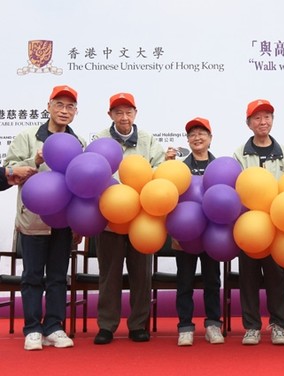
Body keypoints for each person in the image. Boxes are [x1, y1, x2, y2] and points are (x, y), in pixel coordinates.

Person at [4, 85, 85, 350]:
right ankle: (32, 329)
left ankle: (54, 326)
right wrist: (35, 159)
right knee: (32, 276)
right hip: (33, 221)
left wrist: (79, 221)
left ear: (75, 112)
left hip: (63, 222)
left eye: (70, 106)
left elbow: (82, 184)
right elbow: (9, 173)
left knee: (58, 277)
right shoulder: (28, 136)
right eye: (59, 105)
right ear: (48, 106)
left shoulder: (79, 143)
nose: (64, 111)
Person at [93, 92, 166, 345]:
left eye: (128, 112)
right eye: (118, 112)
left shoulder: (148, 141)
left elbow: (159, 173)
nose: (124, 117)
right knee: (109, 274)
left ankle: (138, 324)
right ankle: (107, 326)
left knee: (141, 275)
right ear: (110, 115)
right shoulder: (99, 140)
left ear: (135, 113)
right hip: (109, 219)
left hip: (141, 220)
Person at [233, 99, 284, 345]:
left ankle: (278, 325)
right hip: (250, 227)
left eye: (267, 117)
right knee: (249, 278)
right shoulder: (239, 154)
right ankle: (252, 326)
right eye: (257, 118)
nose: (262, 122)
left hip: (277, 228)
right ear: (249, 123)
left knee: (278, 277)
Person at [165, 117, 224, 346]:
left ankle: (213, 325)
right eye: (192, 134)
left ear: (210, 138)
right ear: (187, 140)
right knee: (185, 281)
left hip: (212, 233)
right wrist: (166, 165)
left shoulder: (219, 167)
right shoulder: (179, 167)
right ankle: (185, 327)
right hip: (186, 233)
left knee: (212, 280)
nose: (197, 138)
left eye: (202, 133)